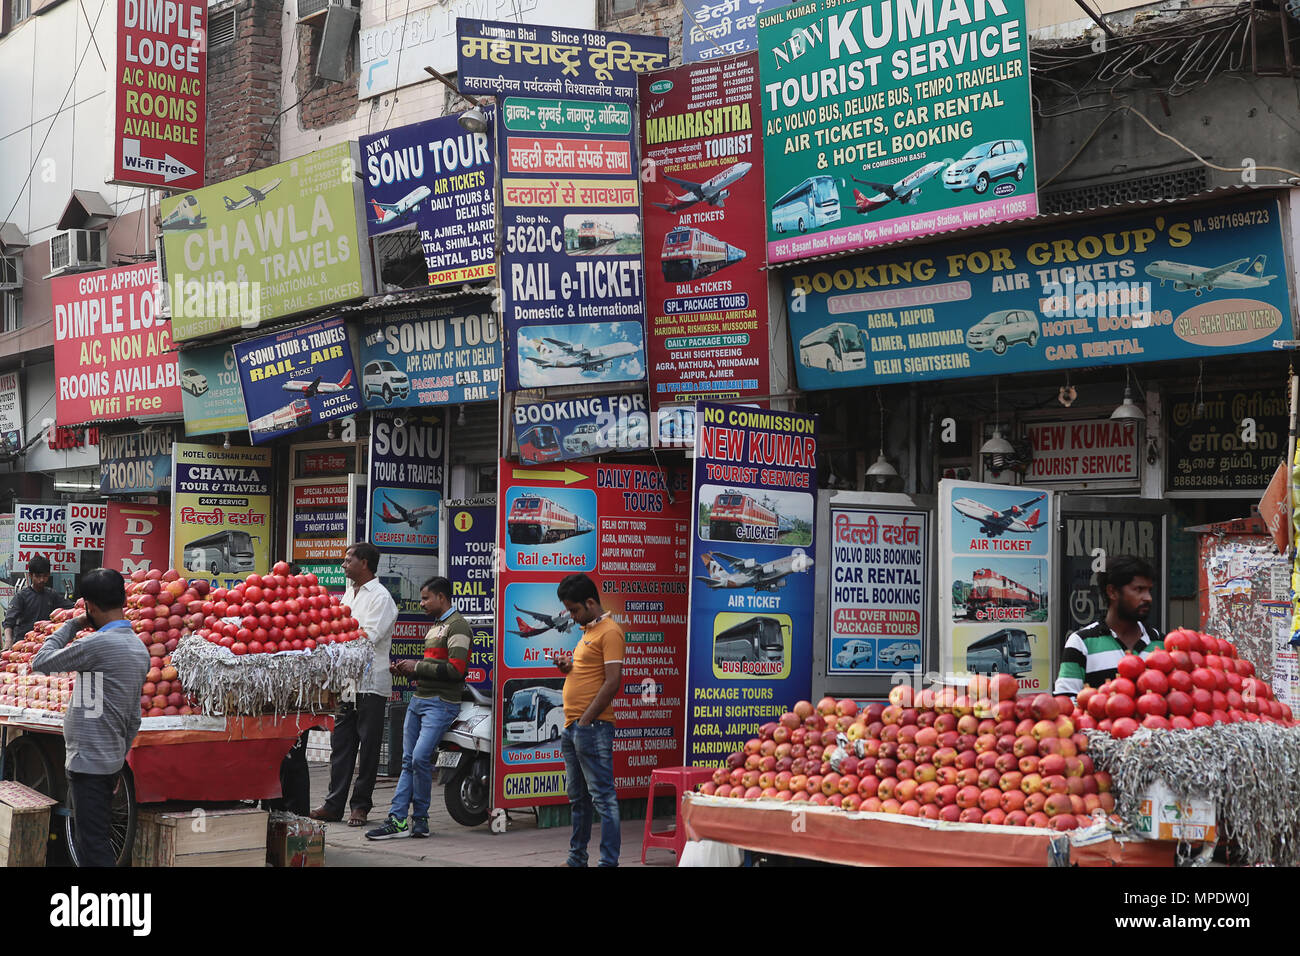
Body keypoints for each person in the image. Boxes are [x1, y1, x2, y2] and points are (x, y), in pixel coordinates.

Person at [31, 569, 149, 867]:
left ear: (90, 606)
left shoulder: (97, 646)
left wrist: (71, 625)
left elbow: (41, 661)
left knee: (93, 846)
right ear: (123, 599)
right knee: (95, 837)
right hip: (108, 761)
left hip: (88, 764)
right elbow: (133, 717)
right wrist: (117, 757)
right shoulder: (138, 648)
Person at [366, 576, 472, 840]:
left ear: (441, 598)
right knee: (409, 762)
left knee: (418, 759)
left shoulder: (458, 627)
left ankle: (412, 819)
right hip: (419, 700)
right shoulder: (436, 626)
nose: (421, 603)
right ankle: (407, 820)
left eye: (426, 598)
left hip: (441, 704)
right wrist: (408, 670)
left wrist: (418, 666)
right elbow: (434, 668)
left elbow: (456, 670)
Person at [311, 542, 398, 827]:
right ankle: (333, 804)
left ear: (365, 563)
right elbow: (337, 628)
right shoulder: (349, 593)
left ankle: (360, 806)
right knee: (341, 745)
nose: (343, 564)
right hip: (347, 681)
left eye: (349, 560)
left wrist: (335, 638)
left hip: (371, 682)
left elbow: (368, 636)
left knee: (369, 747)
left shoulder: (381, 597)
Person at [551, 573, 624, 867]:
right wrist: (567, 667)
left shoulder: (610, 632)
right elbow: (589, 674)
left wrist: (586, 720)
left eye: (574, 610)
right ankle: (576, 858)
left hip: (591, 727)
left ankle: (608, 862)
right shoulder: (589, 631)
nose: (571, 616)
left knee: (603, 799)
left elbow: (612, 682)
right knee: (578, 799)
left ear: (590, 602)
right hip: (574, 727)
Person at [1053, 555, 1164, 698]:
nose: (1148, 597)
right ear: (1112, 592)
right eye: (1139, 589)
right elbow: (1065, 702)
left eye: (1149, 590)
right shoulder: (1081, 643)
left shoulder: (1161, 643)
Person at [3, 555, 74, 649]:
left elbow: (72, 608)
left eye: (45, 576)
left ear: (49, 574)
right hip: (23, 646)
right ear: (31, 575)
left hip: (44, 645)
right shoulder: (21, 596)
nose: (42, 580)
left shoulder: (52, 595)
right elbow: (9, 622)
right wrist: (8, 641)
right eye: (38, 576)